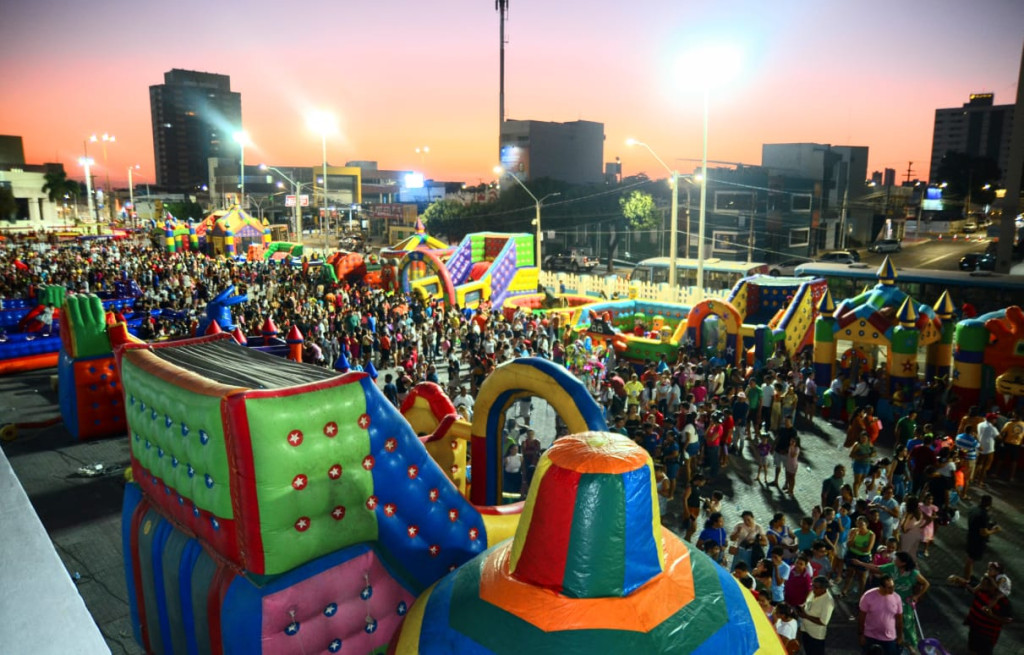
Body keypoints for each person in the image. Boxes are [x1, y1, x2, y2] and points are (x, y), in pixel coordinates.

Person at [851, 551, 929, 650]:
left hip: (905, 602)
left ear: (903, 563)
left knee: (906, 625)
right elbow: (877, 568)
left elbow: (926, 584)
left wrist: (917, 596)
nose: (894, 560)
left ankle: (910, 647)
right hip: (889, 600)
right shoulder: (892, 567)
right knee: (887, 621)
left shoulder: (913, 573)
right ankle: (893, 642)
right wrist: (860, 563)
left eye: (897, 559)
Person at [951, 561, 1014, 655]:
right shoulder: (981, 592)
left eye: (984, 584)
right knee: (972, 650)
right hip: (974, 630)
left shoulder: (1003, 602)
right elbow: (973, 590)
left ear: (991, 586)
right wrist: (962, 583)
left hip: (988, 636)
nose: (981, 586)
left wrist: (991, 615)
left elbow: (1007, 620)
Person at [858, 574, 905, 654]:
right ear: (881, 587)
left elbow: (899, 619)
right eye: (889, 587)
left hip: (889, 638)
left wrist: (900, 636)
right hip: (870, 636)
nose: (892, 590)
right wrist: (861, 635)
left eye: (893, 586)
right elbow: (861, 618)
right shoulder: (868, 596)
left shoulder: (897, 598)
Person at [964, 495, 1002, 583]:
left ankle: (968, 575)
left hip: (971, 535)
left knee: (970, 558)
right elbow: (983, 532)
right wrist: (994, 530)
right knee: (971, 559)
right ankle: (967, 579)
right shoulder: (983, 514)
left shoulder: (973, 509)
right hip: (977, 539)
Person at [798, 575, 835, 655]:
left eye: (816, 588)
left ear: (823, 589)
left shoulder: (828, 602)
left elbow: (823, 622)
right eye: (812, 586)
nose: (813, 589)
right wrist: (803, 607)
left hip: (816, 635)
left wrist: (806, 616)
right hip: (805, 630)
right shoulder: (813, 592)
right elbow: (808, 602)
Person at [849, 431, 877, 496]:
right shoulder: (857, 445)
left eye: (865, 438)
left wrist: (871, 455)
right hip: (858, 464)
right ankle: (856, 496)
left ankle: (855, 493)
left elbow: (874, 452)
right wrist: (861, 456)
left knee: (861, 480)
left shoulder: (869, 443)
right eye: (862, 438)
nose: (863, 439)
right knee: (857, 481)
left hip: (866, 465)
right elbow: (851, 455)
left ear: (867, 438)